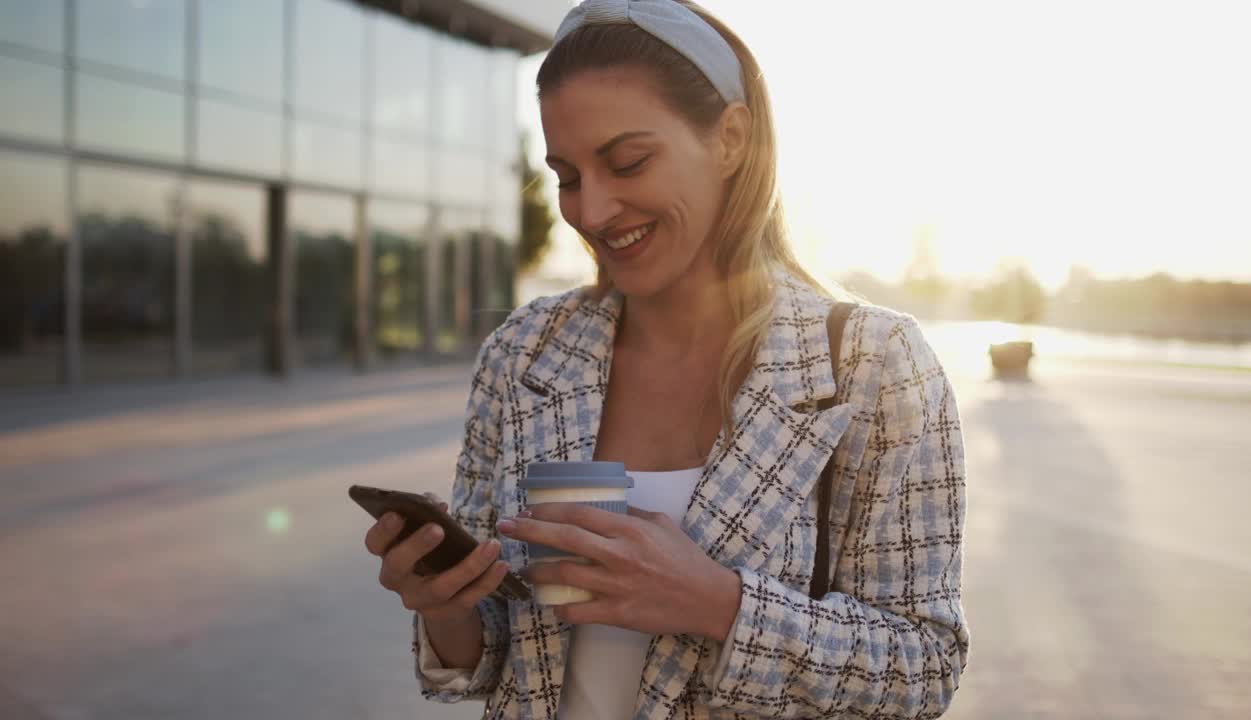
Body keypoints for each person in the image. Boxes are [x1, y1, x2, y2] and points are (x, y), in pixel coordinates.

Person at [362, 1, 969, 717]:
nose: (591, 211)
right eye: (566, 175)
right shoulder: (524, 355)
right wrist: (447, 605)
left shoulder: (873, 365)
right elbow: (493, 655)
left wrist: (717, 603)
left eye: (628, 162)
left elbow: (923, 670)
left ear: (731, 138)